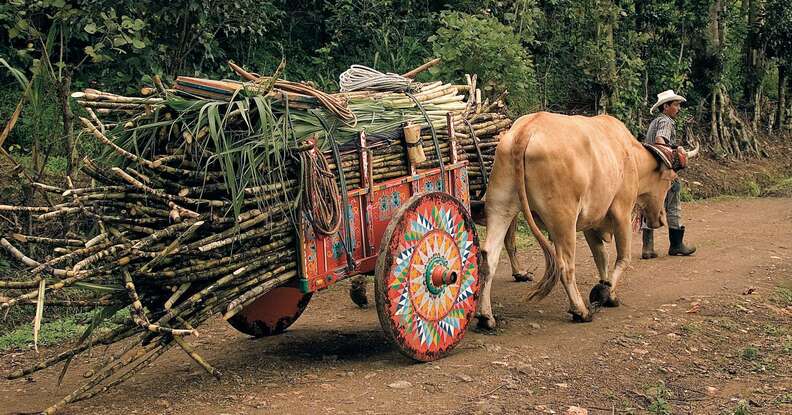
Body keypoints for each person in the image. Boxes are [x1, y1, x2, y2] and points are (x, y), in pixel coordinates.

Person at [642, 89, 696, 259]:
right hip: (663, 172)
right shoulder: (666, 122)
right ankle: (677, 244)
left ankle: (648, 248)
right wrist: (675, 153)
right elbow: (660, 142)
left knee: (650, 206)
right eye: (676, 105)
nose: (678, 108)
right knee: (673, 206)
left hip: (649, 172)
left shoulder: (655, 121)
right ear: (666, 106)